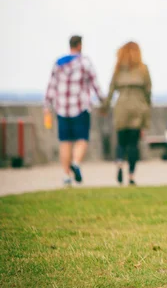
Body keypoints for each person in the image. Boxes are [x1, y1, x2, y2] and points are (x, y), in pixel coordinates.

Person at [44, 35, 104, 186]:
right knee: (81, 140)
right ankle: (76, 163)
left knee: (65, 142)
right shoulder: (85, 62)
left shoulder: (58, 64)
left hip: (62, 108)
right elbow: (95, 84)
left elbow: (51, 86)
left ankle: (66, 175)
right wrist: (103, 101)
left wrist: (47, 106)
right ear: (80, 45)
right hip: (80, 107)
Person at [102, 42, 152, 186]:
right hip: (138, 106)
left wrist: (105, 107)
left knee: (121, 141)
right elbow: (148, 91)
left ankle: (119, 163)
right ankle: (131, 175)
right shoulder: (143, 69)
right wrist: (147, 108)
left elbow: (111, 90)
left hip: (122, 106)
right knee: (133, 143)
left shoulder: (118, 69)